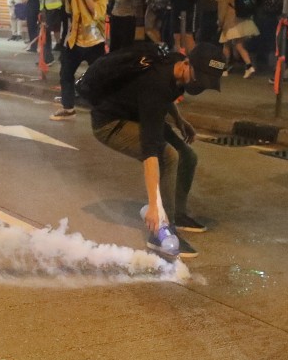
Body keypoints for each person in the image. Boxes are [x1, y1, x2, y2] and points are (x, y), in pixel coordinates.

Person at [90, 42, 225, 258]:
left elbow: (168, 94)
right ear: (186, 63)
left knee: (188, 156)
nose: (199, 86)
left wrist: (180, 121)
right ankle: (161, 231)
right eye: (199, 78)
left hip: (138, 113)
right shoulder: (156, 84)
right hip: (110, 123)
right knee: (168, 156)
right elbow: (150, 151)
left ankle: (178, 214)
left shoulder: (175, 65)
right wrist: (154, 205)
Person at [51, 0, 107, 121]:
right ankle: (68, 108)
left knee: (99, 77)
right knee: (66, 73)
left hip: (95, 41)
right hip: (74, 40)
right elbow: (69, 12)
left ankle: (103, 109)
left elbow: (98, 14)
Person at [216, 0, 259, 78]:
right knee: (239, 44)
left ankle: (225, 69)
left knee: (227, 44)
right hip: (244, 18)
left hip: (230, 21)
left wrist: (220, 22)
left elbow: (222, 8)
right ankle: (249, 66)